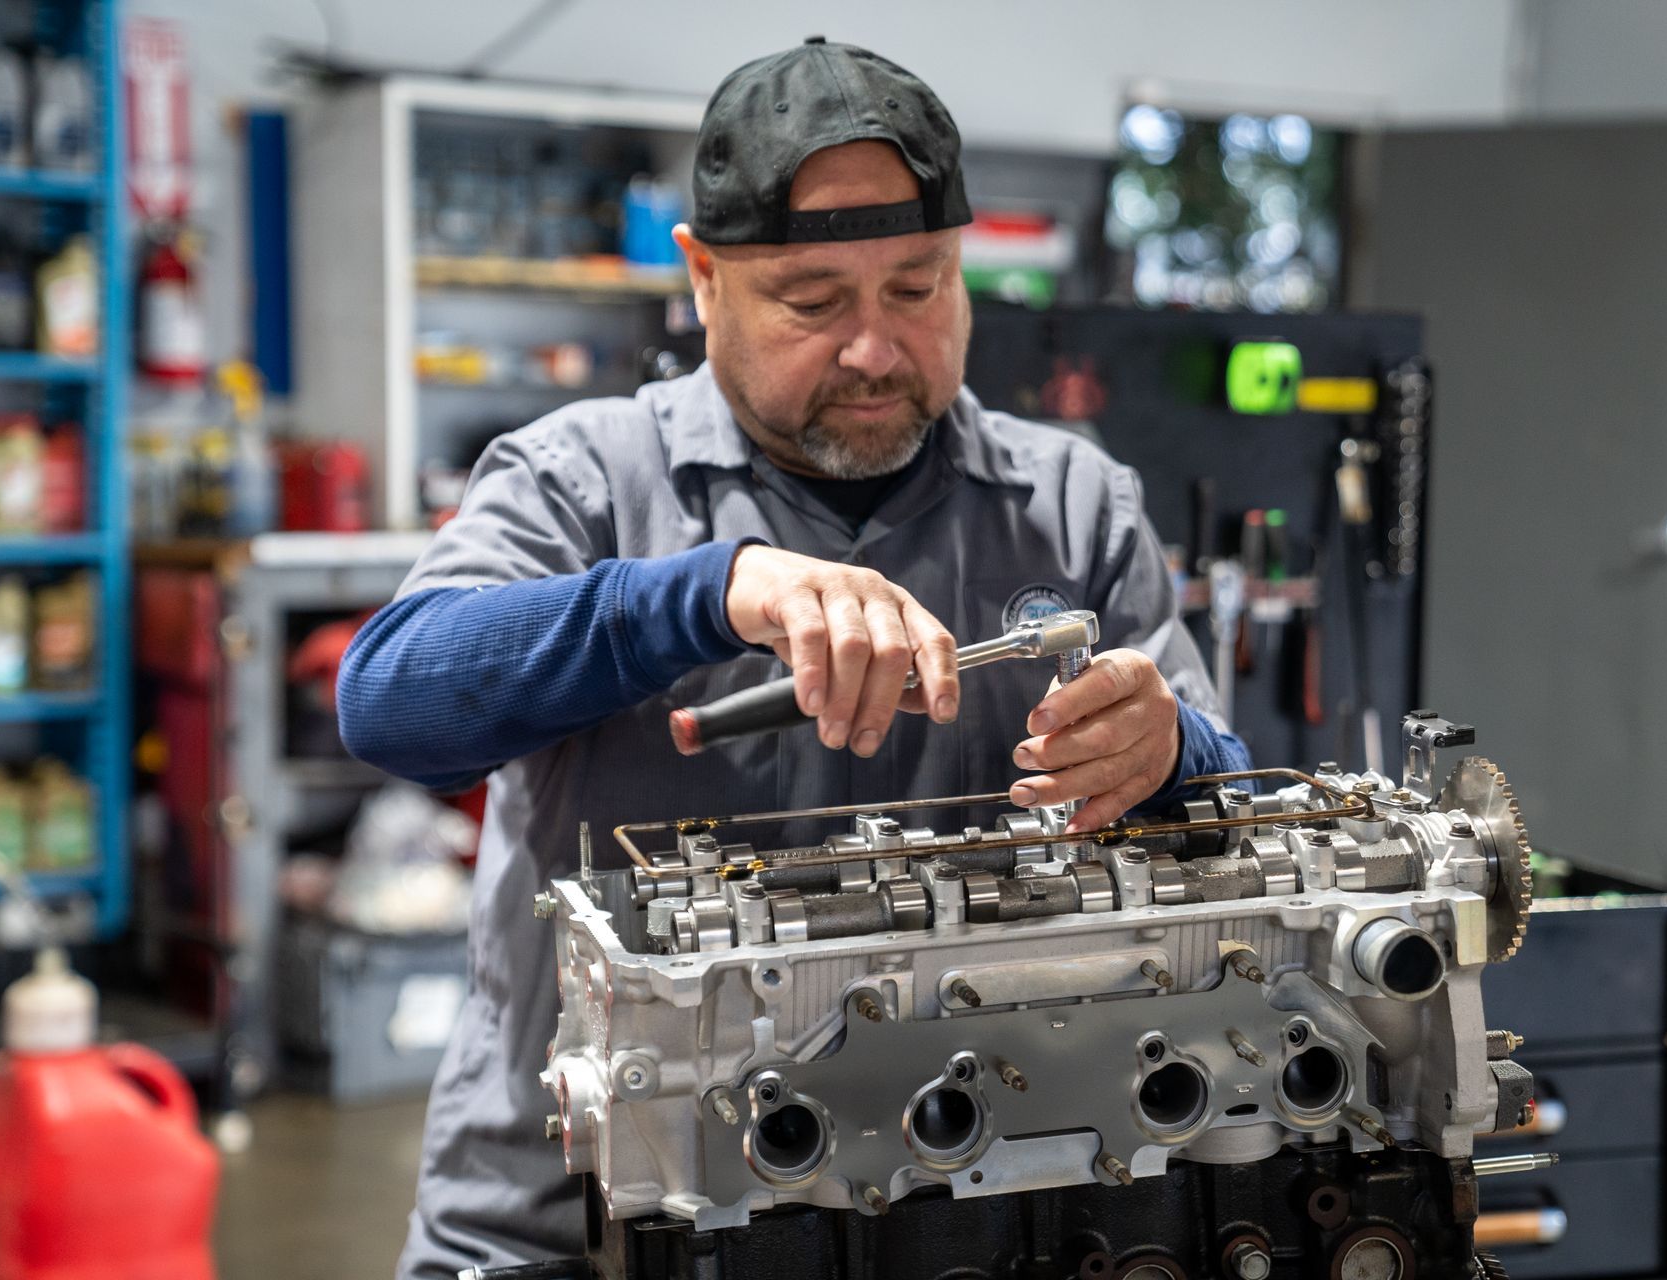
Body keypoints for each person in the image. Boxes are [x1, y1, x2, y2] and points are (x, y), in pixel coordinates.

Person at [338, 37, 1249, 1278]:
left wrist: (1173, 751)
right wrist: (704, 594)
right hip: (578, 1218)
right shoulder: (585, 480)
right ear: (704, 280)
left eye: (918, 288)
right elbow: (391, 699)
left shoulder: (1072, 505)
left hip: (962, 1204)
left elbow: (1232, 799)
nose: (874, 348)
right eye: (814, 303)